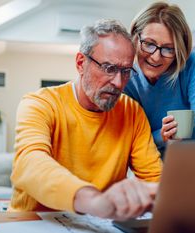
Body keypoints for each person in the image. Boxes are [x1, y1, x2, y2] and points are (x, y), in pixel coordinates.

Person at [9, 19, 163, 221]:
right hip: (34, 223)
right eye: (109, 68)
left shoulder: (131, 112)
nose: (118, 82)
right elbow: (30, 163)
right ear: (81, 63)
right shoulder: (40, 103)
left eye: (126, 71)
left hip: (100, 224)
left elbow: (156, 180)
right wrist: (95, 202)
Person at [124, 2, 195, 157]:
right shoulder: (125, 78)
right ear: (135, 38)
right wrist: (161, 136)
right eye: (149, 44)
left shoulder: (191, 63)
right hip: (153, 167)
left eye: (168, 49)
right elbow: (131, 141)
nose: (156, 57)